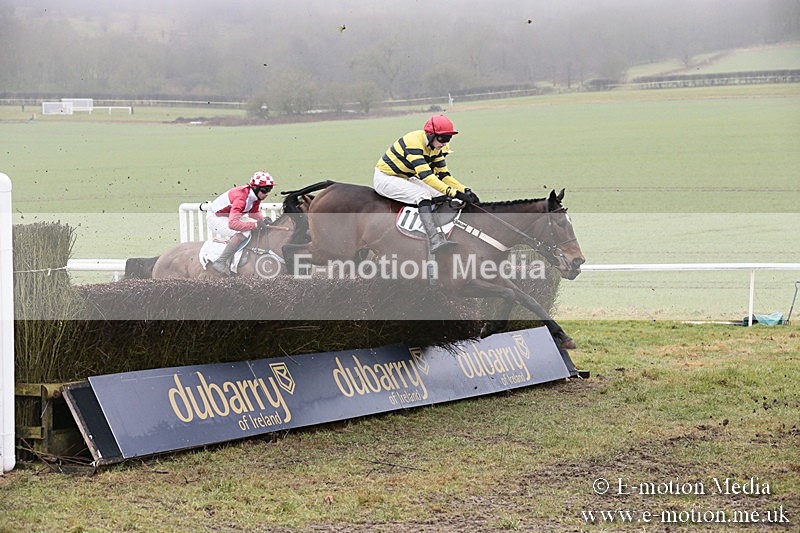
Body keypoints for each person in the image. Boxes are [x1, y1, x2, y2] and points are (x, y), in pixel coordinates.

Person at [374, 114, 480, 254]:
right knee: (423, 195)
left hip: (405, 177)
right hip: (386, 178)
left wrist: (464, 190)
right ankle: (434, 239)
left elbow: (444, 176)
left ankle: (442, 230)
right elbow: (427, 177)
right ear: (430, 135)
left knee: (441, 194)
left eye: (448, 138)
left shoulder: (436, 148)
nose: (445, 143)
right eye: (442, 138)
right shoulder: (413, 142)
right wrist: (454, 192)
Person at [207, 171, 275, 276]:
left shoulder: (255, 196)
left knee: (253, 227)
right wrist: (256, 225)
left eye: (270, 190)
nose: (267, 193)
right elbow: (233, 224)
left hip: (228, 216)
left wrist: (264, 220)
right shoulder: (241, 198)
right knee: (246, 230)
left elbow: (253, 213)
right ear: (255, 188)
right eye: (265, 190)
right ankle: (221, 261)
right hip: (216, 218)